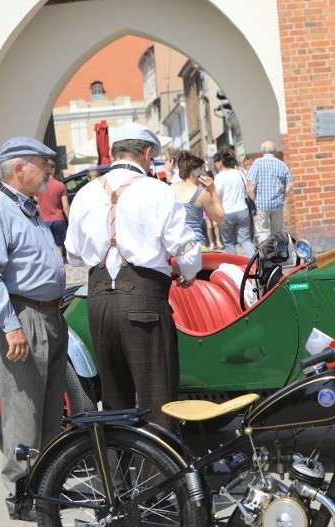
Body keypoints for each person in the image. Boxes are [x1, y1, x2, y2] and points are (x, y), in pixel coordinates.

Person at [65, 123, 201, 431]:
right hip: (144, 300)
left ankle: (118, 474)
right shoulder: (157, 190)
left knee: (114, 398)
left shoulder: (85, 194)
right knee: (157, 397)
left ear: (113, 152)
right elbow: (187, 248)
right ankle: (160, 476)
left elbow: (73, 253)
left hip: (98, 300)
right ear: (148, 153)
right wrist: (187, 272)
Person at [0, 137, 67, 520]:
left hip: (47, 315)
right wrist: (11, 327)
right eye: (43, 164)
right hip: (22, 316)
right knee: (24, 409)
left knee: (48, 410)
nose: (48, 171)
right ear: (19, 168)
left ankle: (44, 486)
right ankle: (20, 494)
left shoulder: (27, 208)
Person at [170, 151, 225, 248]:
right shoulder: (201, 193)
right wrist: (213, 191)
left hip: (173, 244)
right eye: (202, 170)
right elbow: (220, 218)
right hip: (194, 244)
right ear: (194, 172)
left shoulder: (169, 188)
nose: (204, 173)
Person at [246, 140, 293, 243]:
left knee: (262, 232)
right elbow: (290, 184)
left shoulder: (258, 163)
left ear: (263, 151)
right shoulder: (281, 164)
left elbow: (252, 185)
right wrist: (283, 196)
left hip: (261, 203)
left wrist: (253, 201)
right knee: (277, 232)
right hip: (277, 203)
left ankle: (266, 252)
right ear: (275, 152)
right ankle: (278, 253)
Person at [214, 149, 255, 256]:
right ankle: (256, 263)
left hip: (226, 212)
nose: (215, 164)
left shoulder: (219, 177)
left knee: (228, 243)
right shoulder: (239, 173)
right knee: (245, 240)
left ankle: (235, 266)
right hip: (242, 210)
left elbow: (216, 196)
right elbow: (248, 191)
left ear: (221, 162)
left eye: (216, 161)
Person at [35, 161, 70, 259]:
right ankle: (61, 267)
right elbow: (66, 206)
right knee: (59, 247)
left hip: (43, 220)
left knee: (48, 248)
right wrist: (70, 220)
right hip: (58, 220)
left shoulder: (38, 186)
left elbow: (35, 202)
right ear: (53, 170)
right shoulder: (60, 185)